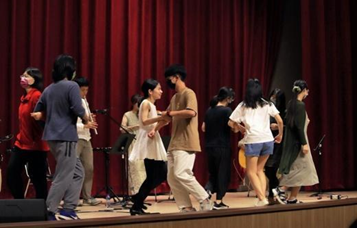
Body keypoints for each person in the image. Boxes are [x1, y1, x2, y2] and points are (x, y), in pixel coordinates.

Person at [32, 54, 94, 220]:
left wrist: (47, 125)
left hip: (52, 136)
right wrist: (87, 118)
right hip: (65, 136)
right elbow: (78, 108)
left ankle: (68, 209)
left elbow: (37, 112)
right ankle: (49, 211)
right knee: (63, 174)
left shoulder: (48, 89)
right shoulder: (72, 86)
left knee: (77, 172)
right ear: (70, 69)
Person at [152, 64, 212, 212]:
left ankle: (204, 198)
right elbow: (166, 117)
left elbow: (191, 112)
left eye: (169, 78)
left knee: (182, 173)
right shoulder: (175, 98)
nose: (167, 82)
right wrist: (154, 129)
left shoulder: (188, 93)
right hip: (174, 142)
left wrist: (171, 114)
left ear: (176, 77)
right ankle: (186, 206)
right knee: (172, 177)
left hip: (187, 141)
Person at [229, 78, 283, 206]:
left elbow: (231, 122)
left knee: (251, 171)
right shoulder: (268, 104)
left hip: (253, 140)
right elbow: (280, 121)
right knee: (260, 170)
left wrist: (241, 128)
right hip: (268, 140)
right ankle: (261, 198)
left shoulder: (243, 105)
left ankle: (262, 198)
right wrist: (280, 135)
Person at [7, 67, 49, 199]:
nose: (22, 78)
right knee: (12, 172)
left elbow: (47, 114)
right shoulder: (24, 97)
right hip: (22, 143)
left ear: (34, 80)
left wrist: (41, 115)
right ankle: (20, 202)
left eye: (26, 76)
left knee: (38, 178)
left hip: (36, 145)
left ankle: (42, 207)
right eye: (22, 75)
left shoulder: (36, 95)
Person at [274, 80, 319, 204]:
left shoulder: (291, 104)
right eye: (307, 91)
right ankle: (281, 189)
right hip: (299, 143)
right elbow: (299, 127)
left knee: (300, 170)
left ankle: (292, 198)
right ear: (304, 90)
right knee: (301, 169)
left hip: (295, 141)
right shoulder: (300, 105)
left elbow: (291, 123)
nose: (308, 93)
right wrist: (304, 144)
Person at [129, 79, 168, 215]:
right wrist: (160, 117)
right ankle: (138, 202)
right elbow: (144, 121)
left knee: (156, 175)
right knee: (158, 173)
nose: (161, 91)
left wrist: (162, 120)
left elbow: (154, 123)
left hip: (152, 138)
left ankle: (138, 200)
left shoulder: (152, 104)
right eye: (159, 89)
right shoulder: (146, 103)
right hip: (147, 140)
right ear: (150, 91)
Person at [201, 87, 235, 210]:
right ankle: (218, 201)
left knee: (213, 174)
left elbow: (203, 128)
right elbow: (233, 127)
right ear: (228, 98)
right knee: (223, 173)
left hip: (210, 146)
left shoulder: (209, 110)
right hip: (222, 146)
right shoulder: (227, 110)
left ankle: (207, 192)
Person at [74, 77, 100, 206]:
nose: (85, 93)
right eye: (82, 90)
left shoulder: (85, 101)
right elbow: (70, 124)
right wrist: (85, 125)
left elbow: (84, 119)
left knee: (89, 168)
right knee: (74, 169)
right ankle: (73, 197)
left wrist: (90, 119)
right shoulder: (73, 101)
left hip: (86, 137)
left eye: (86, 90)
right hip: (76, 137)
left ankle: (87, 196)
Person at [121, 94, 147, 195]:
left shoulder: (143, 115)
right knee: (134, 168)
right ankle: (134, 192)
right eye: (137, 104)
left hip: (143, 143)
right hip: (133, 142)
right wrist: (136, 126)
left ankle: (143, 193)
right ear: (133, 104)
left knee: (143, 168)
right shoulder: (127, 114)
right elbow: (122, 128)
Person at [264, 88, 286, 204]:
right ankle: (275, 190)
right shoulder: (267, 108)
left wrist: (280, 127)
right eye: (272, 96)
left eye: (275, 98)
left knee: (272, 167)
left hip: (279, 142)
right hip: (267, 140)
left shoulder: (285, 112)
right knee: (267, 169)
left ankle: (273, 194)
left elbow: (289, 125)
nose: (273, 99)